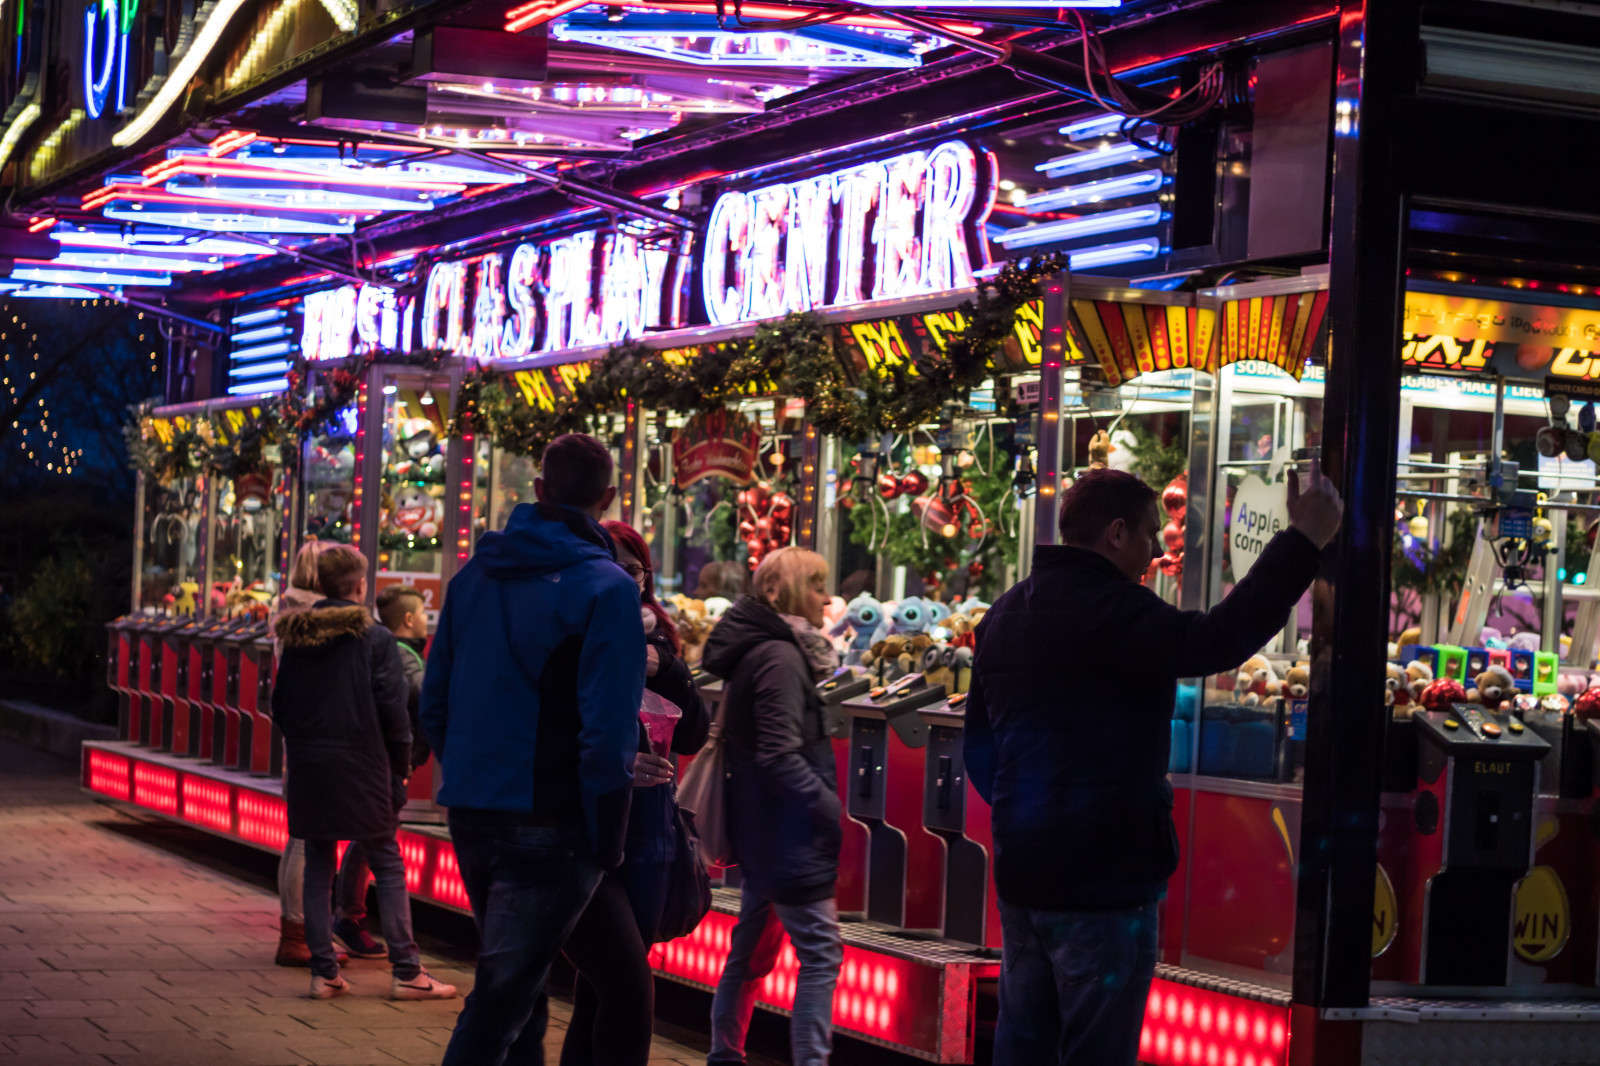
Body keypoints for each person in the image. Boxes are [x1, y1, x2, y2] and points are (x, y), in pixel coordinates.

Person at [964, 464, 1343, 1065]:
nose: (1149, 556)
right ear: (1116, 533)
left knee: (1024, 1042)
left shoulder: (1004, 614)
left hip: (1025, 874)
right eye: (1146, 536)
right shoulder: (1118, 612)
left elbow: (980, 752)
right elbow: (1220, 638)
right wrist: (1301, 542)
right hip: (1105, 881)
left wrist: (1031, 813)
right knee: (1095, 1049)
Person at [421, 433, 644, 1066]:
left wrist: (467, 770)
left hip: (473, 805)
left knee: (521, 994)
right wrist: (609, 832)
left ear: (539, 490)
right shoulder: (607, 589)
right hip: (554, 815)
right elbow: (609, 729)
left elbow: (435, 700)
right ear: (605, 497)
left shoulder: (473, 576)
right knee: (502, 1000)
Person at [271, 544, 455, 1001]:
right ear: (358, 586)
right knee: (387, 862)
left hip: (311, 766)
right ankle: (407, 971)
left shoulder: (296, 635)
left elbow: (281, 707)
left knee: (319, 863)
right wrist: (400, 768)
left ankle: (323, 971)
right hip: (365, 766)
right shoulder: (374, 639)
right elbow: (393, 710)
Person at [558, 521, 711, 1066]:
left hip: (644, 834)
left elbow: (693, 732)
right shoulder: (572, 627)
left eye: (633, 570)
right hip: (587, 830)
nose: (623, 580)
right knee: (623, 985)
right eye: (612, 567)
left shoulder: (655, 639)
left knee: (602, 989)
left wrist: (665, 667)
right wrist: (617, 766)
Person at [702, 547, 842, 1066]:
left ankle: (725, 1053)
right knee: (821, 956)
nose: (826, 599)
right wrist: (827, 808)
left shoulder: (763, 648)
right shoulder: (781, 656)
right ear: (777, 592)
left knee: (752, 952)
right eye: (815, 585)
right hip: (787, 834)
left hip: (764, 829)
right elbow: (780, 754)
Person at [318, 584, 436, 962]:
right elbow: (417, 699)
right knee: (376, 845)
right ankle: (356, 923)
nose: (425, 621)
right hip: (388, 762)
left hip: (383, 760)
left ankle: (347, 919)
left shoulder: (394, 651)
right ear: (407, 619)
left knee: (366, 840)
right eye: (422, 614)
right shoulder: (403, 656)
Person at [269, 539, 351, 969]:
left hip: (298, 739)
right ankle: (300, 934)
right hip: (322, 739)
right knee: (308, 841)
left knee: (297, 837)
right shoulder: (322, 620)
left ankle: (294, 931)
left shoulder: (288, 613)